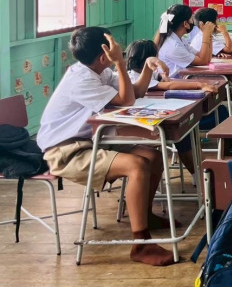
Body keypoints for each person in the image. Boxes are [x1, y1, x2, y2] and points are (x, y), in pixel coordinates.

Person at [36, 28, 176, 266]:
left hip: (89, 142)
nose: (119, 47)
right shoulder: (81, 79)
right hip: (64, 151)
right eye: (114, 46)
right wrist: (120, 63)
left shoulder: (101, 71)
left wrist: (146, 67)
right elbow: (126, 100)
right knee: (137, 165)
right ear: (104, 56)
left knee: (153, 155)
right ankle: (141, 243)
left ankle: (144, 215)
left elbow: (134, 93)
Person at [125, 39, 228, 175]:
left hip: (153, 116)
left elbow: (165, 81)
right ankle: (200, 174)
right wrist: (199, 85)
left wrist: (163, 76)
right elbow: (168, 85)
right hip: (143, 124)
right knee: (183, 129)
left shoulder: (146, 73)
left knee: (187, 129)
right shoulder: (134, 77)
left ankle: (202, 173)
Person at [154, 3, 215, 77]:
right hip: (174, 82)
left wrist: (209, 34)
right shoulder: (173, 46)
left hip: (182, 79)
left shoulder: (180, 40)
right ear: (185, 23)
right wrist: (205, 34)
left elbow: (207, 59)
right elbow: (203, 61)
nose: (193, 22)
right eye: (191, 19)